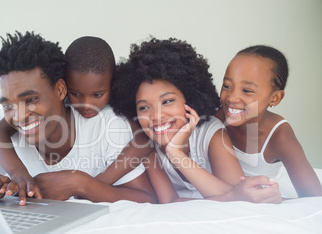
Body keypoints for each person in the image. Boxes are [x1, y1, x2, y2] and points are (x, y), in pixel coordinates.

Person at [0, 31, 156, 204]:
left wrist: (80, 184)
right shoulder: (2, 123)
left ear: (61, 90)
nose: (19, 116)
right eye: (7, 105)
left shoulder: (109, 125)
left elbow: (146, 196)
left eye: (31, 99)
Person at [110, 37, 281, 203]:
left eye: (167, 101)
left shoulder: (211, 133)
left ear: (190, 100)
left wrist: (176, 153)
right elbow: (170, 200)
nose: (156, 116)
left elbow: (237, 195)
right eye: (144, 107)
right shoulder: (148, 145)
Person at [215, 45, 322, 198]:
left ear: (275, 98)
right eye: (227, 86)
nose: (231, 98)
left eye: (247, 90)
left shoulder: (279, 136)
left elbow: (314, 197)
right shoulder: (215, 118)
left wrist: (270, 199)